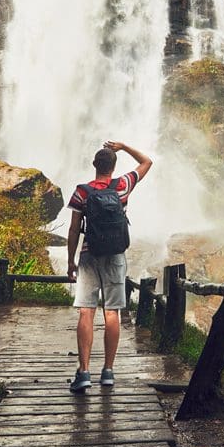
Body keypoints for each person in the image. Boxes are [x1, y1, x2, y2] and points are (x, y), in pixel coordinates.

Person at [65, 140, 152, 392]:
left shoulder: (82, 192)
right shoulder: (122, 186)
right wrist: (123, 146)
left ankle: (83, 372)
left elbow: (73, 230)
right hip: (115, 255)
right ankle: (108, 372)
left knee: (85, 312)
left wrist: (71, 261)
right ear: (113, 166)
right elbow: (147, 162)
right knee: (112, 312)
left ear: (94, 165)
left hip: (89, 255)